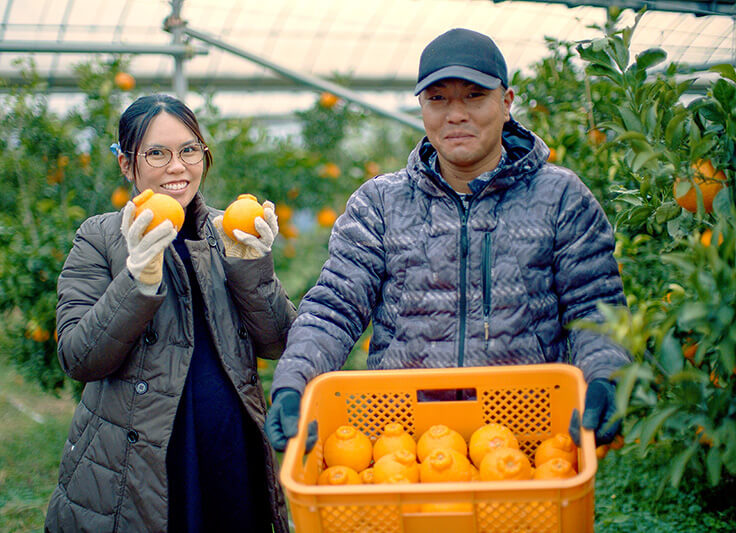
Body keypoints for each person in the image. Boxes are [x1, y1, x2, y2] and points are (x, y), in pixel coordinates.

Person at [265, 28, 630, 453]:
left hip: (527, 441)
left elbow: (595, 306)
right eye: (438, 98)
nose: (455, 114)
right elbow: (335, 307)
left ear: (506, 102)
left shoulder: (560, 198)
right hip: (404, 445)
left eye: (473, 95)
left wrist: (605, 377)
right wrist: (293, 384)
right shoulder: (381, 203)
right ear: (422, 107)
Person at [45, 94, 296, 533]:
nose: (177, 167)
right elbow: (79, 358)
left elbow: (278, 341)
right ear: (127, 164)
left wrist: (250, 264)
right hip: (139, 461)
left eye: (188, 150)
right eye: (157, 153)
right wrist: (136, 279)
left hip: (229, 448)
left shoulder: (228, 231)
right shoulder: (99, 238)